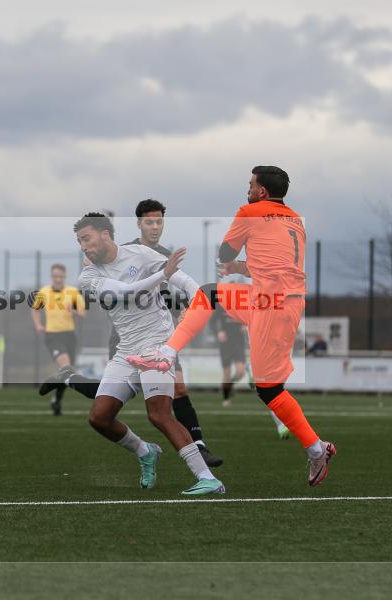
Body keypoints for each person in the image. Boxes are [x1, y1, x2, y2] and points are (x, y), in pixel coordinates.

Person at [128, 166, 336, 487]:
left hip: (270, 304)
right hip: (278, 300)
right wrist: (237, 266)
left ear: (262, 192)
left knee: (269, 390)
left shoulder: (250, 212)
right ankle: (167, 352)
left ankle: (316, 448)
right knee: (210, 293)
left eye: (251, 185)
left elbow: (226, 251)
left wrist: (229, 259)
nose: (248, 189)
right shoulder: (294, 219)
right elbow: (272, 265)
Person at [41, 199, 224, 467]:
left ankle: (199, 448)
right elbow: (127, 289)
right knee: (106, 401)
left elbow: (178, 285)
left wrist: (190, 307)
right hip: (124, 337)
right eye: (149, 221)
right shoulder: (112, 255)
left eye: (159, 221)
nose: (154, 226)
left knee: (176, 391)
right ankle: (70, 378)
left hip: (159, 334)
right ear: (138, 224)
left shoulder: (158, 253)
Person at [31, 264, 85, 415]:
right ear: (51, 276)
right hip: (52, 335)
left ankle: (56, 399)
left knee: (66, 372)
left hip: (69, 335)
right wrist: (38, 325)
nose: (58, 279)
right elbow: (35, 310)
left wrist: (74, 310)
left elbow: (82, 313)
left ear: (65, 277)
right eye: (55, 276)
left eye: (61, 276)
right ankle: (53, 391)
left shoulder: (72, 292)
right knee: (66, 366)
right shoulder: (44, 292)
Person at [210, 309, 246, 407]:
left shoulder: (242, 306)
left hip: (239, 343)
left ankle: (230, 385)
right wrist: (218, 332)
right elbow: (212, 321)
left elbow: (252, 319)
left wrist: (246, 326)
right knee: (227, 372)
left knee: (240, 372)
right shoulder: (221, 306)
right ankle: (226, 399)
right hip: (225, 343)